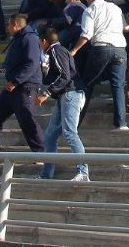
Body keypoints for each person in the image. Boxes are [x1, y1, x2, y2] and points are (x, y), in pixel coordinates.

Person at [0, 14, 45, 152]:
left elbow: (32, 63)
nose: (8, 28)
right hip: (13, 86)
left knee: (27, 120)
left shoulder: (30, 38)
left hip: (25, 86)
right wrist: (3, 67)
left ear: (15, 25)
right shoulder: (18, 39)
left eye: (9, 25)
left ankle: (42, 153)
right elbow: (15, 61)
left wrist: (16, 81)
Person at [70, 0, 128, 130]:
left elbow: (86, 34)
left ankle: (75, 122)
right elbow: (126, 28)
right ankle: (121, 123)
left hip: (101, 48)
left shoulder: (90, 10)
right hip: (120, 48)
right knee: (118, 86)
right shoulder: (116, 8)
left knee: (86, 85)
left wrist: (74, 50)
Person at [36, 28, 89, 182]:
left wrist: (46, 94)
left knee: (70, 133)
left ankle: (83, 172)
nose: (39, 45)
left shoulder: (56, 51)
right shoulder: (58, 51)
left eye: (40, 42)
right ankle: (46, 174)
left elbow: (65, 76)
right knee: (50, 136)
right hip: (65, 96)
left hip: (71, 94)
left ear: (45, 41)